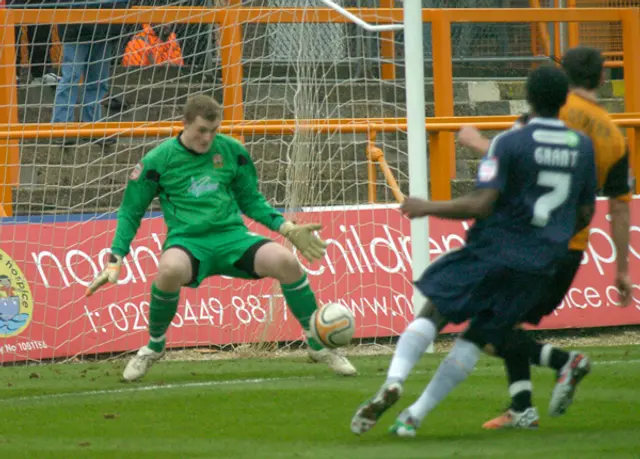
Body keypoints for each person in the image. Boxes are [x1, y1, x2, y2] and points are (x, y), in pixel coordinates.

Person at [350, 65, 598, 437]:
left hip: (492, 250)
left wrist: (426, 206)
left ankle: (395, 380)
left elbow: (481, 204)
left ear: (529, 98)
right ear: (565, 101)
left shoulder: (510, 141)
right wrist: (549, 239)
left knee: (433, 310)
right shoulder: (583, 147)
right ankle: (413, 416)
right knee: (477, 337)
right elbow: (585, 212)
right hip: (539, 265)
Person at [85, 95, 356, 380]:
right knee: (168, 270)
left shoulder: (232, 151)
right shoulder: (156, 161)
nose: (208, 138)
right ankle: (154, 347)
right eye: (202, 130)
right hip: (188, 241)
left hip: (232, 237)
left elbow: (251, 201)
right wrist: (115, 258)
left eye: (214, 131)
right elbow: (130, 211)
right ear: (184, 124)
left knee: (286, 260)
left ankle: (317, 343)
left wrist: (286, 228)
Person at [458, 47, 632, 429]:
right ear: (602, 78)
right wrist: (622, 270)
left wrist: (474, 141)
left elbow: (520, 157)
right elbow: (620, 209)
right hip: (570, 251)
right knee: (508, 324)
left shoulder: (555, 109)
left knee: (485, 328)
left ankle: (563, 363)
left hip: (531, 243)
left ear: (562, 77)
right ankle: (522, 408)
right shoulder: (616, 136)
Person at [52, 0, 129, 146]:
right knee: (71, 78)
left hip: (106, 26)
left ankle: (92, 127)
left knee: (98, 81)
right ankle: (61, 129)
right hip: (77, 26)